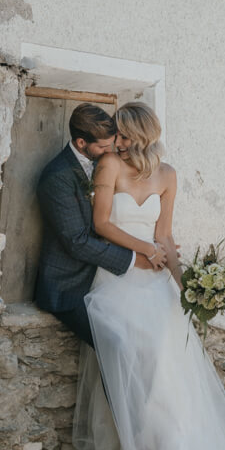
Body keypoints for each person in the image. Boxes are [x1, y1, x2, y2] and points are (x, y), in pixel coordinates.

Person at [72, 102, 225, 450]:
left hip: (158, 285)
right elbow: (101, 224)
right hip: (117, 281)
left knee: (169, 365)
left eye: (122, 136)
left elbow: (165, 236)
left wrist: (190, 288)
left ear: (140, 137)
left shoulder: (167, 175)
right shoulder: (109, 167)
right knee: (140, 359)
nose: (115, 143)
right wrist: (144, 251)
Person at [34, 103, 164, 348]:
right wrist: (136, 258)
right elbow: (77, 242)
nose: (111, 150)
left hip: (102, 278)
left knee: (144, 338)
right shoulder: (57, 177)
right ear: (82, 143)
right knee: (117, 344)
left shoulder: (100, 163)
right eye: (104, 146)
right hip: (68, 288)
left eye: (112, 143)